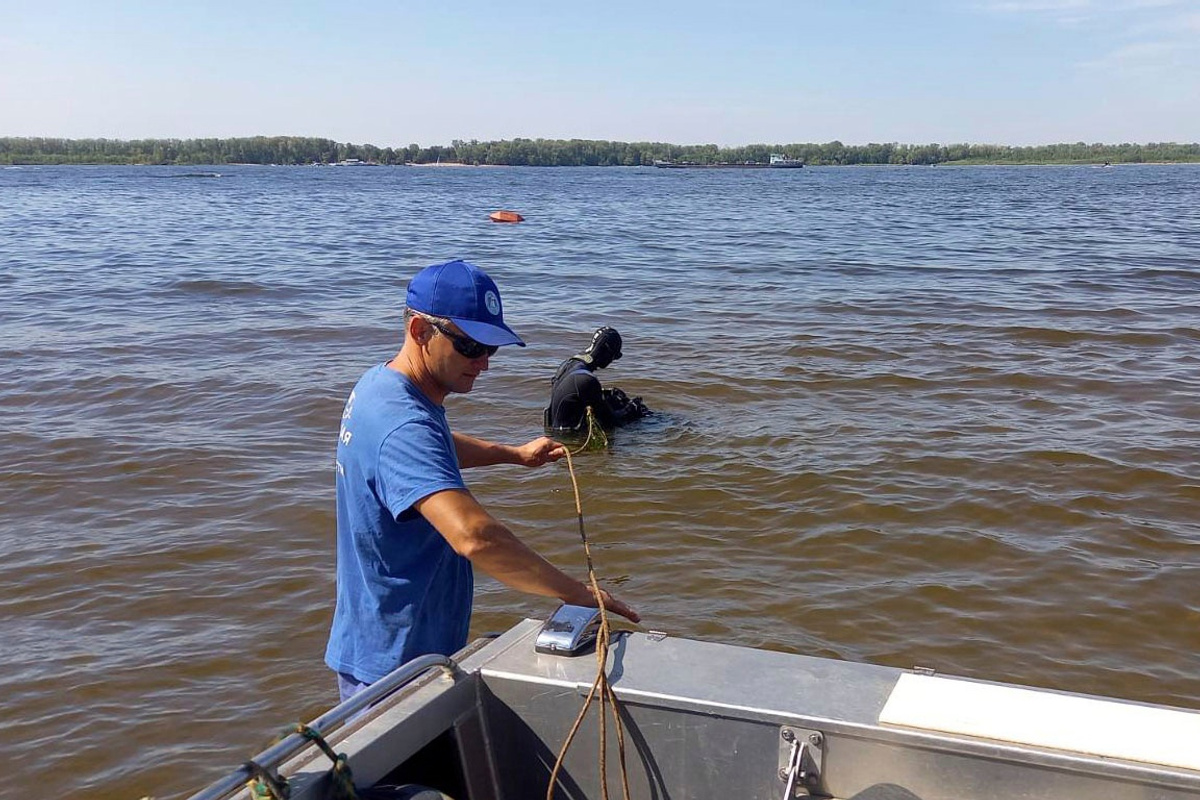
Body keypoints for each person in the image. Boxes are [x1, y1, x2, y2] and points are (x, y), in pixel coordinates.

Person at [326, 260, 640, 702]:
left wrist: (512, 456)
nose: (484, 364)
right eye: (471, 346)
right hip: (393, 667)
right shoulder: (403, 423)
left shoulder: (382, 388)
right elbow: (474, 537)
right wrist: (580, 595)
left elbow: (430, 446)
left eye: (491, 349)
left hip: (388, 645)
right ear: (420, 330)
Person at [544, 326, 651, 432]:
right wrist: (631, 408)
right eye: (614, 356)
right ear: (607, 351)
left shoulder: (568, 365)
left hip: (555, 431)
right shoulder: (587, 380)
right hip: (570, 440)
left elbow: (574, 396)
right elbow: (611, 422)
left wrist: (606, 394)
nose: (612, 361)